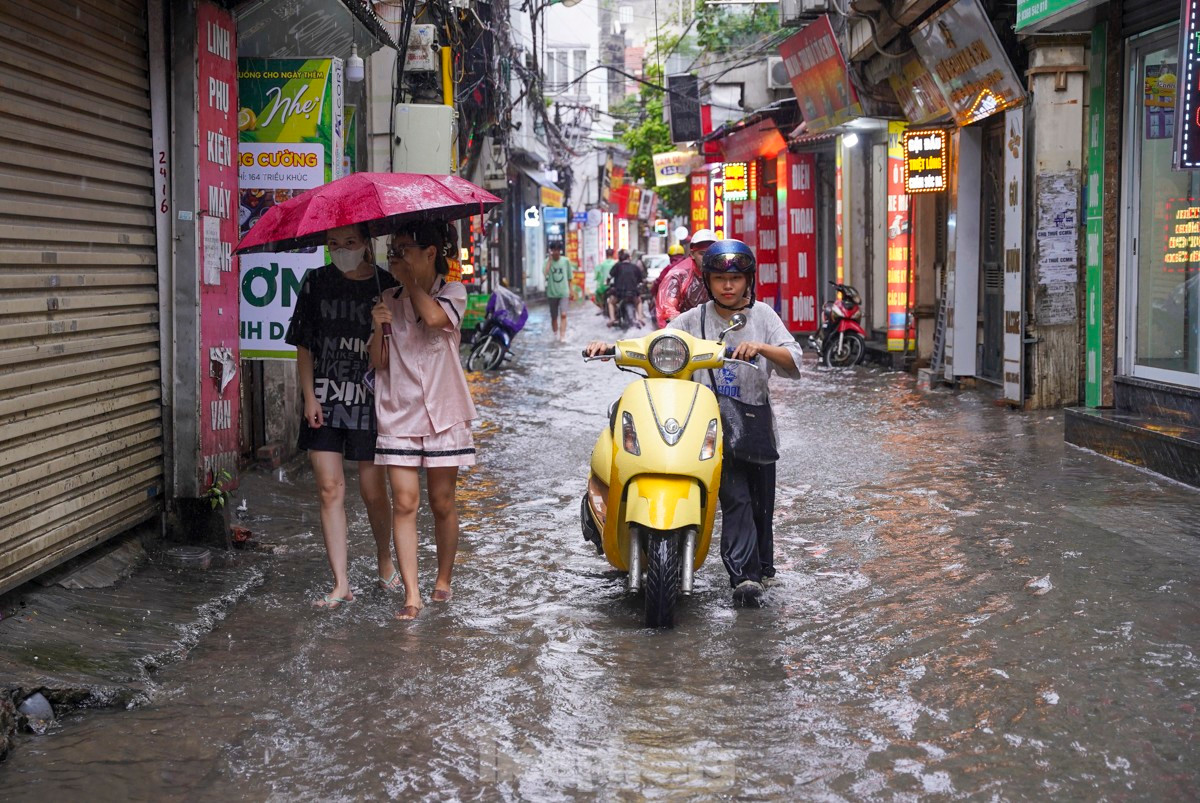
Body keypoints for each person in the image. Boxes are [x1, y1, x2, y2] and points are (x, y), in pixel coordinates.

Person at [585, 239, 802, 607]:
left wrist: (761, 348)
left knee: (761, 506)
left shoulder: (764, 317)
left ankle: (760, 568)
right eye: (719, 279)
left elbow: (793, 359)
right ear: (708, 280)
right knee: (735, 498)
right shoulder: (691, 320)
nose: (728, 286)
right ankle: (743, 576)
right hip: (707, 429)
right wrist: (610, 348)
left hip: (753, 424)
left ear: (749, 280)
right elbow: (656, 344)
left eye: (735, 279)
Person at [285, 223, 398, 610]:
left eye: (350, 242)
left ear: (367, 243)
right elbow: (304, 346)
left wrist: (380, 325)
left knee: (372, 491)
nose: (342, 249)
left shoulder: (385, 285)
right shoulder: (315, 282)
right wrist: (309, 397)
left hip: (369, 400)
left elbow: (389, 356)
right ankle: (340, 582)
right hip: (325, 400)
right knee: (329, 489)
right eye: (334, 243)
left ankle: (386, 560)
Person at [369, 221, 477, 621]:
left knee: (443, 502)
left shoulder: (453, 293)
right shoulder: (386, 297)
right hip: (398, 410)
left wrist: (410, 282)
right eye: (393, 250)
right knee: (406, 503)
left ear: (430, 253)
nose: (395, 257)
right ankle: (412, 595)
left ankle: (443, 579)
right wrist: (378, 326)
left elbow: (433, 320)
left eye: (404, 249)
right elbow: (377, 361)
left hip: (444, 412)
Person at [654, 228, 717, 328]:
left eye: (711, 253)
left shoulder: (722, 272)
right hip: (689, 330)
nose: (707, 257)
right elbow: (669, 305)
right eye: (702, 253)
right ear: (692, 254)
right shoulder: (679, 275)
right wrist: (679, 321)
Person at [606, 249, 646, 327]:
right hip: (633, 293)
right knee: (639, 302)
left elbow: (609, 276)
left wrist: (607, 282)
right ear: (629, 258)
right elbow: (640, 280)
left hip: (619, 294)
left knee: (610, 302)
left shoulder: (617, 266)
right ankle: (640, 317)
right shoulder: (635, 267)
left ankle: (612, 319)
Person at [544, 241, 572, 342]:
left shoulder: (566, 261)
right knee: (554, 317)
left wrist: (571, 290)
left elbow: (569, 276)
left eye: (557, 250)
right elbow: (545, 273)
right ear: (551, 251)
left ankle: (562, 336)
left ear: (560, 250)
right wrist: (549, 261)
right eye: (553, 250)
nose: (556, 252)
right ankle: (555, 334)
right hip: (552, 293)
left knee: (564, 314)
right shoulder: (548, 261)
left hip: (564, 292)